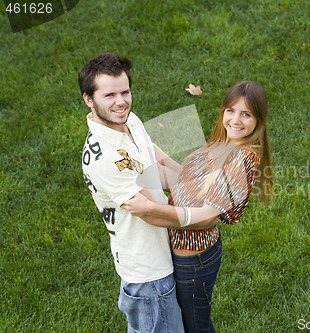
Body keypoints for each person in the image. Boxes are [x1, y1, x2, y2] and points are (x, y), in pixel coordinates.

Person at [79, 53, 217, 333]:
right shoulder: (103, 156)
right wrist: (202, 217)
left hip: (162, 255)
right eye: (109, 95)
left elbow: (153, 157)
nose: (121, 101)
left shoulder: (128, 122)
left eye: (125, 91)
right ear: (88, 99)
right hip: (148, 273)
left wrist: (192, 182)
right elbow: (148, 212)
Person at [122, 80, 274, 333]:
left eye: (246, 114)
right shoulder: (223, 144)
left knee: (196, 327)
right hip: (184, 253)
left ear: (258, 119)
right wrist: (152, 153)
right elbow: (187, 183)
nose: (235, 120)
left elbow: (206, 217)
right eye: (230, 111)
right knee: (182, 322)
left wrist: (150, 212)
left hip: (194, 261)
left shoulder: (242, 157)